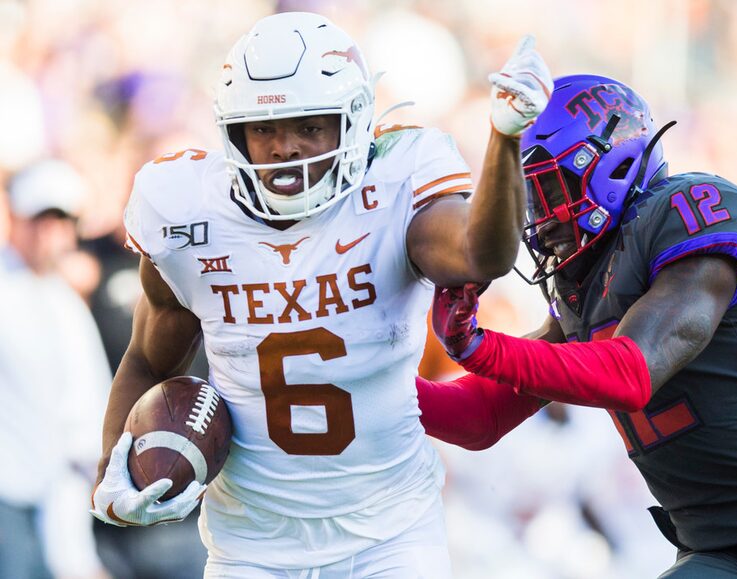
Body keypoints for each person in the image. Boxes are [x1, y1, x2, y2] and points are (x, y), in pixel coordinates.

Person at [90, 11, 552, 578]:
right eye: (264, 129)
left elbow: (485, 256)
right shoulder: (188, 217)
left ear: (353, 122)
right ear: (233, 133)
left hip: (391, 534)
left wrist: (504, 139)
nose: (285, 148)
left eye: (308, 126)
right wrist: (112, 469)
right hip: (250, 546)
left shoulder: (395, 185)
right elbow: (145, 358)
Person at [417, 74, 737, 578]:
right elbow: (481, 415)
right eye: (529, 197)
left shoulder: (693, 208)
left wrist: (477, 346)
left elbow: (631, 372)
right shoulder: (582, 284)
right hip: (726, 547)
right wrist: (366, 389)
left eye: (548, 186)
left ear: (609, 161)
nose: (538, 217)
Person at [0, 159, 111, 579]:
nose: (52, 233)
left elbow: (82, 418)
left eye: (63, 220)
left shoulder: (63, 301)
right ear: (15, 218)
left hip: (59, 509)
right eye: (41, 219)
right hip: (12, 506)